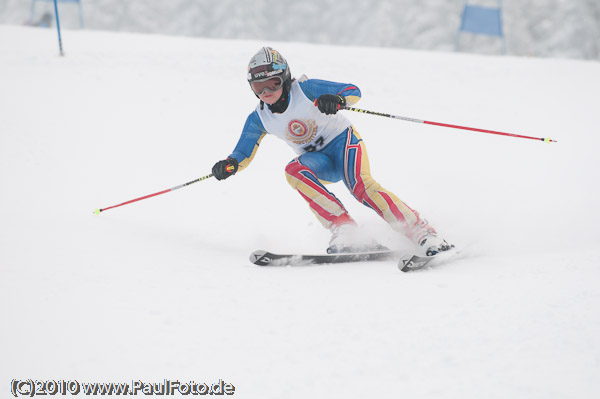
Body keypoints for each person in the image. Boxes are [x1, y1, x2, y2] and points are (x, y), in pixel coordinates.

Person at [212, 47, 452, 255]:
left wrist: (336, 99)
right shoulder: (259, 118)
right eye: (259, 87)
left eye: (272, 83)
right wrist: (229, 165)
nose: (266, 92)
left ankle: (423, 232)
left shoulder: (305, 89)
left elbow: (353, 90)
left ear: (284, 78)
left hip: (343, 143)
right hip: (319, 161)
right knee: (293, 171)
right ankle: (345, 229)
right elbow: (242, 154)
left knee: (360, 186)